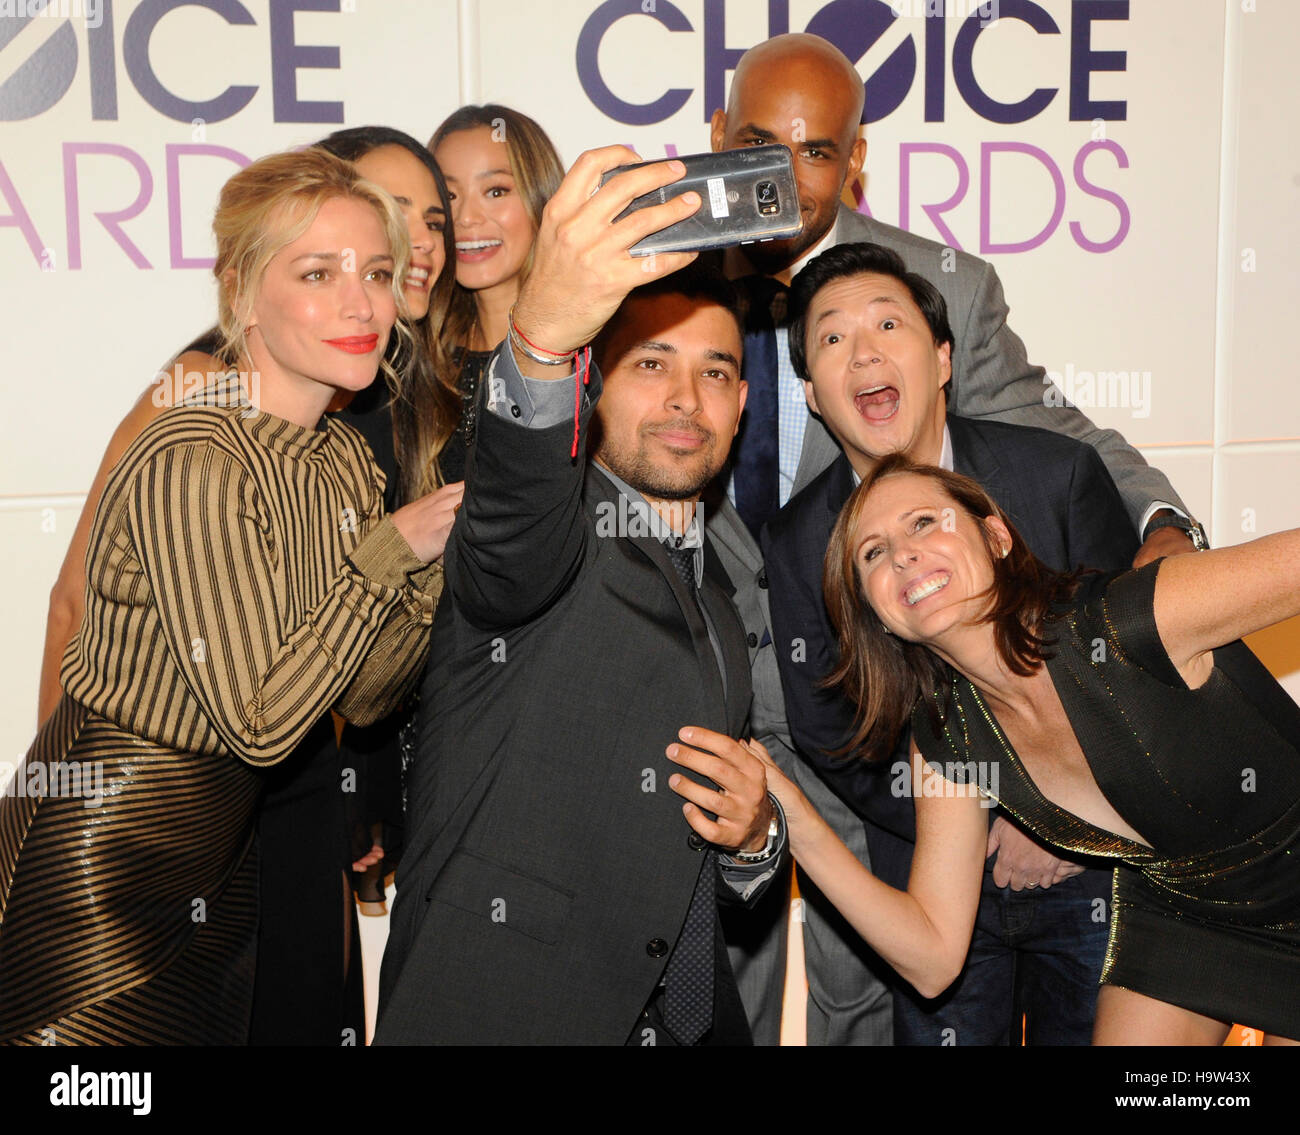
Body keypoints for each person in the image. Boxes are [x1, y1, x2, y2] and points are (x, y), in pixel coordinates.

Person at [703, 30, 1203, 1044]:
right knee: (712, 1000)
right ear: (717, 136)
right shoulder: (650, 279)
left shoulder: (941, 284)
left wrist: (1161, 523)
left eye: (815, 150)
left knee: (868, 1005)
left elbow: (1058, 435)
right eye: (758, 142)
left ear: (854, 160)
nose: (784, 176)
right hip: (708, 712)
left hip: (877, 717)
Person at [1, 147, 457, 1045]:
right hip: (100, 866)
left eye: (374, 271)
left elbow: (363, 697)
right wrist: (390, 552)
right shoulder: (192, 455)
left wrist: (424, 572)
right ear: (244, 291)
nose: (361, 303)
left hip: (223, 866)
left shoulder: (340, 463)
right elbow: (258, 719)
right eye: (318, 273)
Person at [376, 148, 783, 1046]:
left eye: (714, 371)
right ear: (590, 382)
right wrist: (542, 341)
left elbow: (690, 839)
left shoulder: (720, 587)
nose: (686, 398)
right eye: (649, 363)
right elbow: (512, 518)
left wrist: (757, 839)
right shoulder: (546, 524)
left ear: (744, 400)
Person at [683, 455, 1300, 1045]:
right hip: (1184, 907)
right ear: (873, 614)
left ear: (997, 538)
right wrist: (792, 815)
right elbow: (932, 957)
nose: (904, 554)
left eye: (924, 522)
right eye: (873, 553)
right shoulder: (949, 737)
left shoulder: (1132, 618)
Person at [764, 240, 1137, 1044]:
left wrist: (1049, 819)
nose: (862, 352)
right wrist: (974, 828)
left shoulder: (1057, 476)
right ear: (813, 396)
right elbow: (831, 733)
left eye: (887, 324)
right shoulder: (797, 542)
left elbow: (1127, 670)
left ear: (941, 360)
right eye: (831, 338)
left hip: (1094, 866)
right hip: (926, 887)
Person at [429, 104, 564, 481]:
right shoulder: (415, 357)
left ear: (543, 200)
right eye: (449, 196)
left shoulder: (590, 354)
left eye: (496, 190)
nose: (467, 218)